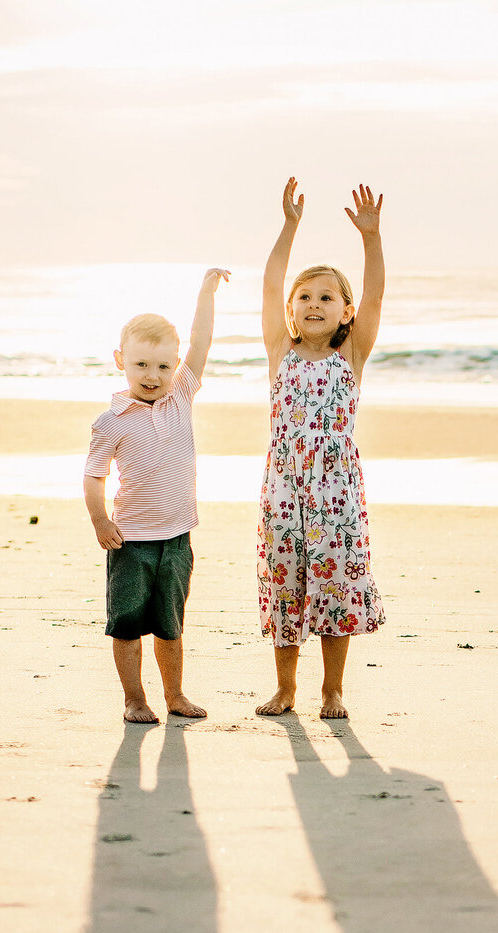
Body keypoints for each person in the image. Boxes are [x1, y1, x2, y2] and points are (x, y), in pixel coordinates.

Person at [256, 178, 385, 721]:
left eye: (326, 297)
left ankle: (332, 690)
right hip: (284, 488)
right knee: (284, 579)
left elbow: (377, 293)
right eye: (304, 297)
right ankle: (285, 689)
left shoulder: (350, 353)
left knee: (334, 582)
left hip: (335, 492)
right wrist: (289, 227)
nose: (313, 304)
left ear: (346, 312)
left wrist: (371, 240)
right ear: (291, 311)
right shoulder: (279, 350)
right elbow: (269, 286)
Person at [83, 268, 230, 723]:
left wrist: (205, 293)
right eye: (141, 365)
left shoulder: (181, 394)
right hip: (130, 541)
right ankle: (134, 699)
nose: (153, 375)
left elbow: (201, 342)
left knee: (170, 626)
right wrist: (100, 521)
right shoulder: (111, 421)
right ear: (120, 360)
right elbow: (93, 476)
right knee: (127, 626)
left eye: (164, 366)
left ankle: (175, 697)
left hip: (178, 538)